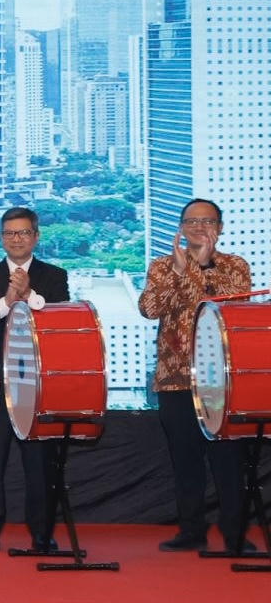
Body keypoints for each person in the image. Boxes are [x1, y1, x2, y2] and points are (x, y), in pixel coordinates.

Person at [138, 198, 252, 554]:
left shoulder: (235, 266)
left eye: (208, 221)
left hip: (221, 380)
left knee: (228, 461)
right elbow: (150, 308)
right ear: (181, 228)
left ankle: (235, 534)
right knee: (185, 460)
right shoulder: (162, 266)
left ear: (220, 227)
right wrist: (182, 271)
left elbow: (234, 307)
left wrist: (201, 267)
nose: (200, 227)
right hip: (175, 378)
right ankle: (191, 530)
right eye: (192, 221)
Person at [0, 207, 68, 553]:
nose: (16, 239)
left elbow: (58, 317)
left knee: (40, 463)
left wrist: (29, 295)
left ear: (36, 236)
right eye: (9, 233)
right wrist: (7, 301)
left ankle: (42, 532)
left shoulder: (54, 275)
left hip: (38, 384)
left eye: (23, 233)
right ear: (1, 238)